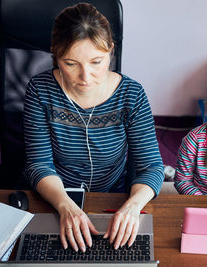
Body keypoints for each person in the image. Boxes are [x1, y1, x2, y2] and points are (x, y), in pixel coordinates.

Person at [23, 3, 164, 253]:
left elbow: (150, 166)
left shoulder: (132, 95)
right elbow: (39, 164)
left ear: (110, 51)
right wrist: (66, 206)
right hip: (57, 197)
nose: (85, 77)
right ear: (55, 55)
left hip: (115, 197)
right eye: (70, 63)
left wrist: (132, 206)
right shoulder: (40, 90)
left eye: (96, 62)